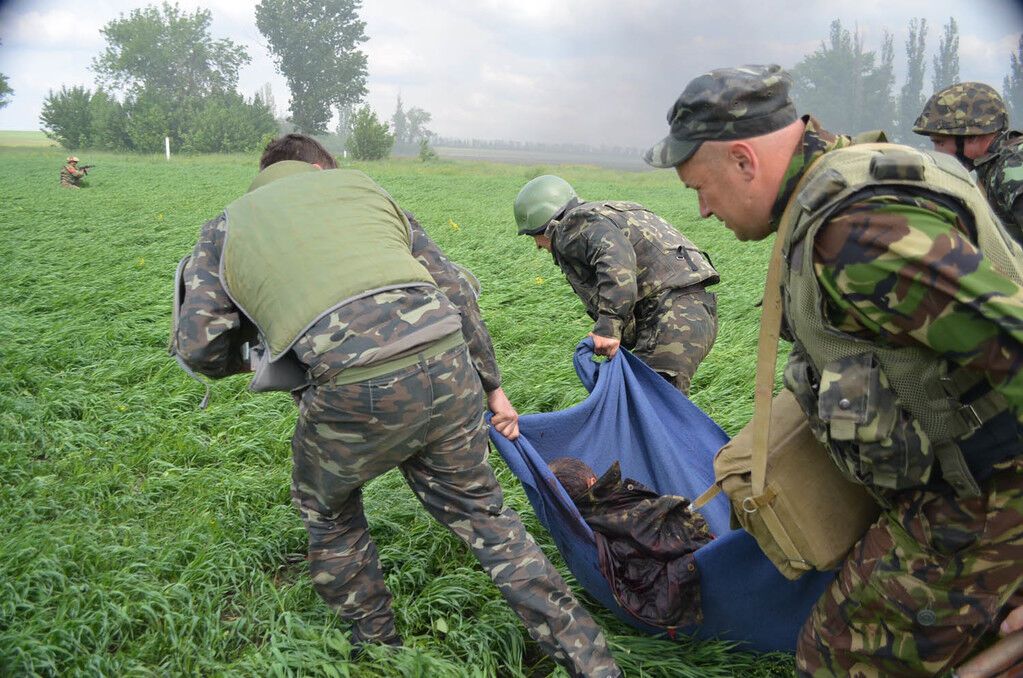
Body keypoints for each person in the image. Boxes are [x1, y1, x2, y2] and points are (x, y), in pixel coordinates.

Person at [173, 133, 621, 677]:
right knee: (488, 520)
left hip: (350, 390)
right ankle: (592, 664)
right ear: (322, 166)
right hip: (448, 362)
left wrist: (272, 355)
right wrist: (491, 385)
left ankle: (378, 654)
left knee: (329, 512)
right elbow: (456, 289)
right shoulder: (366, 191)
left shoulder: (227, 226)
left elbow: (200, 346)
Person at [645, 64, 1023, 676]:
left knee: (837, 659)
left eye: (700, 187)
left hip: (979, 500)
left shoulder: (858, 232)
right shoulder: (832, 189)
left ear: (744, 160)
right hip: (946, 484)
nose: (703, 211)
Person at [513, 174, 719, 394]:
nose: (537, 246)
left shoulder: (573, 226)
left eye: (533, 237)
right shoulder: (606, 212)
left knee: (646, 410)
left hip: (671, 319)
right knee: (648, 407)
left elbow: (617, 264)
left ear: (543, 224)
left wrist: (608, 327)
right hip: (692, 313)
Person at [549, 457, 713, 628]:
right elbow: (691, 527)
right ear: (592, 481)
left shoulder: (582, 530)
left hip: (664, 602)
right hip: (702, 573)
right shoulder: (629, 506)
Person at [913, 81, 1023, 247]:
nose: (936, 152)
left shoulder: (1013, 167)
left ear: (972, 136)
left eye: (940, 143)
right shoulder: (993, 167)